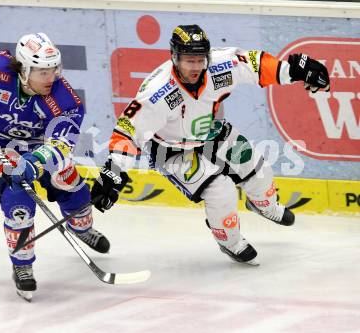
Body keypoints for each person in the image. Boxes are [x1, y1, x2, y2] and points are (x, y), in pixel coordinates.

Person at [91, 25, 330, 265]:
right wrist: (114, 171)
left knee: (258, 169)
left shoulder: (220, 65)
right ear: (174, 57)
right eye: (188, 60)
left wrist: (293, 71)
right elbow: (127, 131)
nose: (195, 67)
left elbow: (255, 65)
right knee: (221, 190)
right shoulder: (157, 93)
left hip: (210, 132)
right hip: (170, 150)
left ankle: (263, 204)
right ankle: (230, 241)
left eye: (200, 60)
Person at [0, 32, 110, 300]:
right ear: (23, 69)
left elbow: (62, 143)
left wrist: (33, 163)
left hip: (40, 145)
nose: (51, 77)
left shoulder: (65, 100)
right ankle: (22, 267)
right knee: (18, 203)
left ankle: (81, 227)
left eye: (54, 69)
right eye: (42, 72)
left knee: (68, 180)